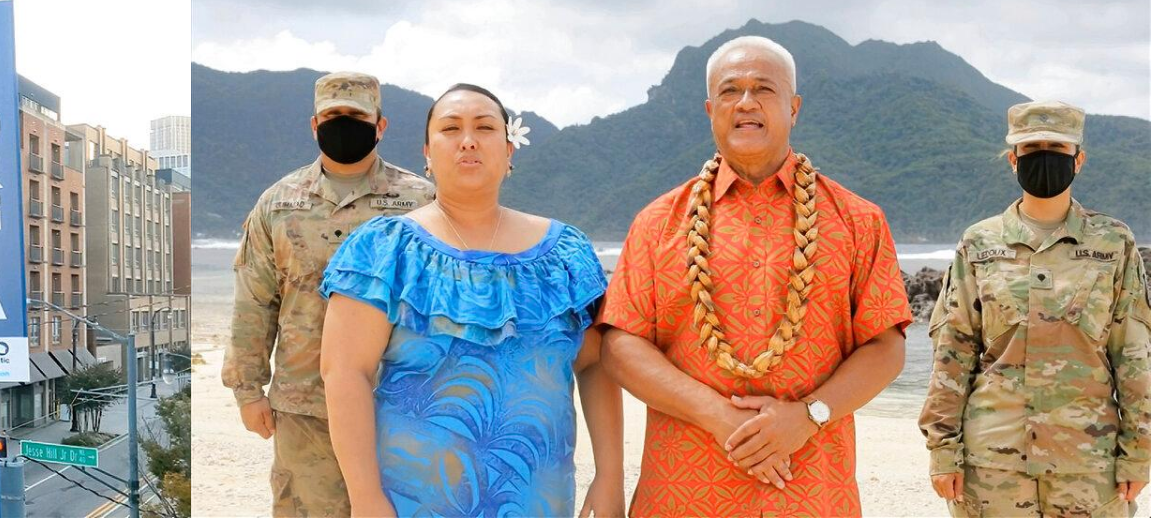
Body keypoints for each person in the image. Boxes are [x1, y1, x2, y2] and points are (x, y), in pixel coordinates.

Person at [599, 36, 912, 517]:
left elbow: (886, 346)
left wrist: (809, 417)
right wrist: (716, 415)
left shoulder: (857, 220)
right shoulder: (658, 222)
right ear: (710, 108)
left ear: (794, 107)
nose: (745, 102)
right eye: (730, 91)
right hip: (683, 495)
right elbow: (621, 347)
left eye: (763, 89)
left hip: (811, 491)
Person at [320, 85, 623, 517]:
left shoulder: (565, 254)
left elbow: (595, 362)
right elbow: (345, 373)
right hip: (411, 502)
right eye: (450, 128)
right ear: (427, 152)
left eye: (484, 127)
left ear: (508, 150)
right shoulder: (384, 250)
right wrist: (366, 499)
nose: (468, 140)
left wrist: (609, 475)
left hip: (540, 499)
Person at [921, 101, 1150, 518]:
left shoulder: (1113, 243)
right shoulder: (979, 244)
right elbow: (952, 354)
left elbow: (1133, 356)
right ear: (1013, 160)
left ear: (1077, 160)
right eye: (1031, 148)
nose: (1044, 156)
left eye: (1056, 148)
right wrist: (942, 450)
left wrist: (1138, 452)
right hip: (992, 465)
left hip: (1088, 464)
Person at [223, 72, 436, 516]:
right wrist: (247, 390)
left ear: (380, 125)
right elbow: (255, 301)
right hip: (305, 406)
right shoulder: (277, 203)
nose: (343, 123)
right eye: (333, 115)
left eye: (356, 115)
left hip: (399, 403)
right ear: (314, 124)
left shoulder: (421, 201)